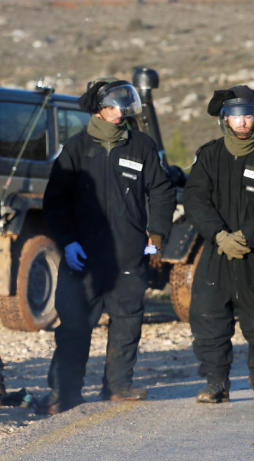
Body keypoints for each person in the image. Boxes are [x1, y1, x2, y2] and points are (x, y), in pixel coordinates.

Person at [42, 78, 176, 414]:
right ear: (98, 109)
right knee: (73, 325)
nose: (118, 113)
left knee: (128, 321)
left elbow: (161, 190)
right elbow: (54, 203)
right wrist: (67, 242)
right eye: (112, 106)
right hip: (82, 257)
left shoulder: (141, 146)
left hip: (128, 255)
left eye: (122, 106)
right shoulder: (75, 149)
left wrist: (157, 232)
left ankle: (118, 386)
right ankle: (64, 393)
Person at [183, 85, 254, 405]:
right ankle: (216, 383)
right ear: (225, 119)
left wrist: (247, 237)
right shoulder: (208, 156)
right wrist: (219, 235)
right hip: (216, 252)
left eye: (249, 115)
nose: (244, 121)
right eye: (236, 116)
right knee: (209, 320)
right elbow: (194, 199)